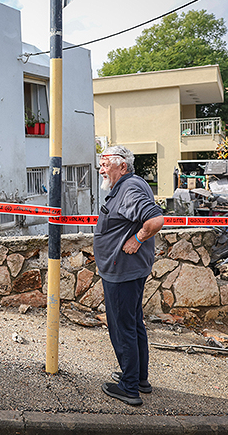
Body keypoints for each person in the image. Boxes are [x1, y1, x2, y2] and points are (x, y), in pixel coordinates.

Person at [93, 146, 164, 406]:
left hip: (122, 271)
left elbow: (155, 220)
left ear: (122, 166)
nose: (101, 168)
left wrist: (137, 239)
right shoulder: (131, 184)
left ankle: (129, 387)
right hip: (128, 269)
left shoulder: (129, 188)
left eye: (106, 164)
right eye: (100, 163)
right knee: (134, 325)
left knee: (122, 327)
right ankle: (138, 378)